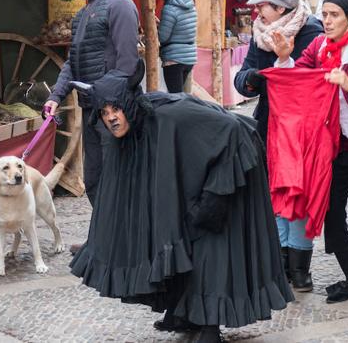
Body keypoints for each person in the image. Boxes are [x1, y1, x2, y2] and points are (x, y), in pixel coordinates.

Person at [69, 64, 293, 343]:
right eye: (104, 113)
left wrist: (216, 195)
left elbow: (234, 131)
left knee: (213, 248)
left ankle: (210, 324)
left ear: (129, 104)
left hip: (230, 169)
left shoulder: (171, 115)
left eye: (116, 109)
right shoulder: (131, 133)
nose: (111, 118)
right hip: (196, 181)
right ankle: (184, 311)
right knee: (177, 239)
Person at [272, 0, 348, 307]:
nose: (326, 20)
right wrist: (285, 59)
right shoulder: (318, 47)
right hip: (335, 145)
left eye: (333, 14)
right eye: (323, 14)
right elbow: (300, 81)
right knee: (331, 214)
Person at [233, 0, 323, 292]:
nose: (257, 12)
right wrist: (254, 77)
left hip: (302, 128)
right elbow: (242, 76)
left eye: (262, 6)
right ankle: (280, 265)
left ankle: (300, 269)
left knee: (297, 194)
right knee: (275, 194)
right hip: (270, 123)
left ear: (281, 7)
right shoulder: (261, 34)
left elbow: (314, 80)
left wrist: (285, 64)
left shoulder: (312, 31)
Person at [42, 0, 139, 255]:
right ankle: (104, 239)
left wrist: (103, 96)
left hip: (113, 111)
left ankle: (121, 244)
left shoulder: (120, 5)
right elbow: (72, 62)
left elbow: (127, 65)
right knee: (95, 179)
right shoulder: (85, 12)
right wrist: (56, 95)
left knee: (116, 179)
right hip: (92, 108)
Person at [157, 0, 197, 93]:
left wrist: (156, 28)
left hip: (174, 58)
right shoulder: (191, 6)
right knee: (180, 96)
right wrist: (161, 23)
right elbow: (181, 29)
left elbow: (163, 37)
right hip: (189, 58)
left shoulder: (169, 8)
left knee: (175, 98)